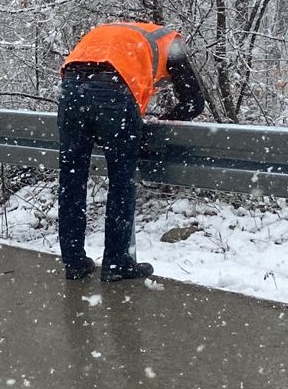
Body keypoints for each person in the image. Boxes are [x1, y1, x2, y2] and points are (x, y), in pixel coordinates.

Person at [57, 21, 207, 281]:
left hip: (72, 90)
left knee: (72, 179)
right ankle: (115, 263)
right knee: (121, 181)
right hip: (113, 91)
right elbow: (194, 101)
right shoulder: (171, 42)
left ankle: (74, 262)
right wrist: (164, 120)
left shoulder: (111, 32)